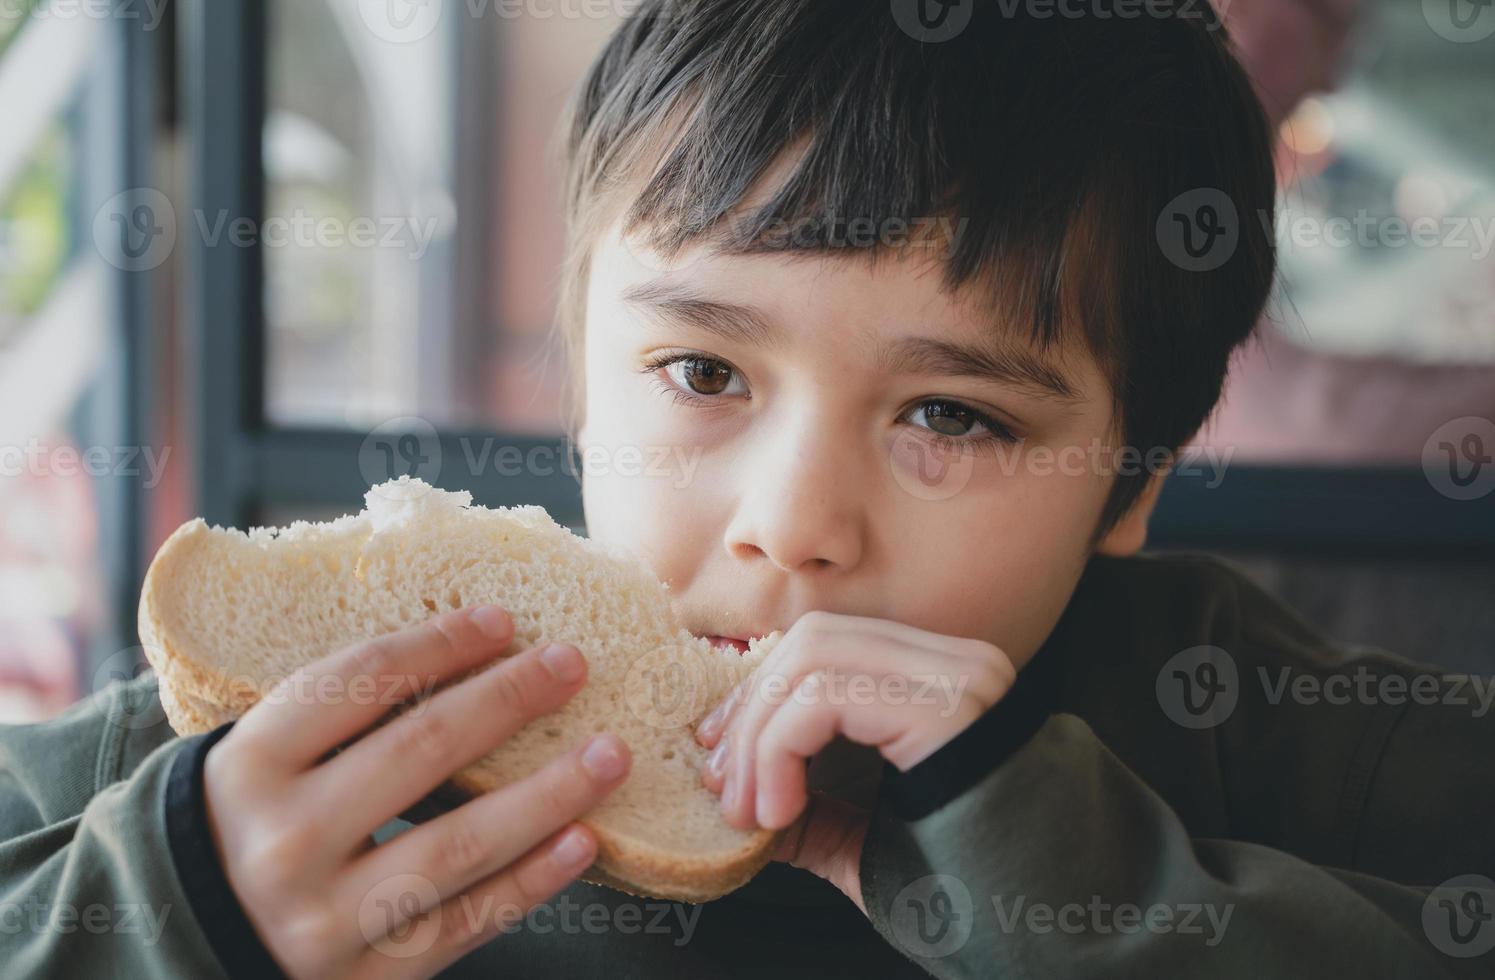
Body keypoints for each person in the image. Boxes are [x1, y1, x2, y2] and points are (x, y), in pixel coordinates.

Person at [2, 2, 1490, 977]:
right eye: (704, 376)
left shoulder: (1269, 734)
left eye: (953, 415)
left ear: (1129, 485)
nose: (794, 525)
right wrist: (176, 914)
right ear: (581, 384)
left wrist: (1026, 843)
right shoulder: (294, 741)